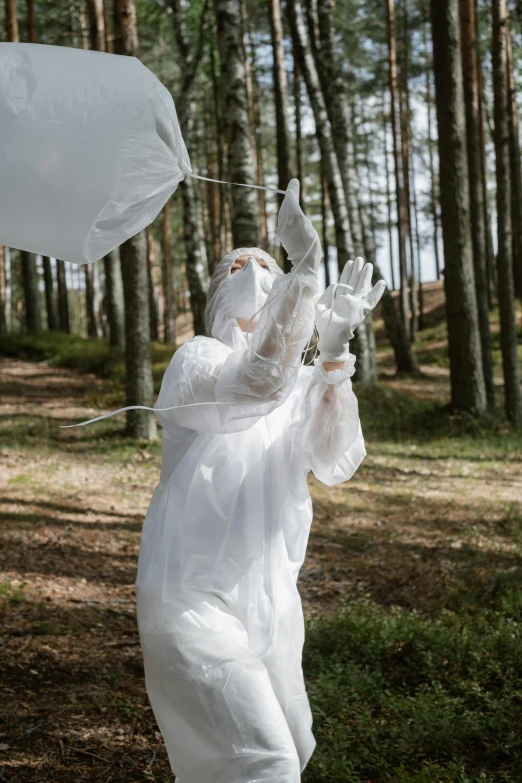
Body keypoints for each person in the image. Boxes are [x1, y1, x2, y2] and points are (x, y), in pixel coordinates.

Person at [136, 179, 386, 783]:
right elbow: (253, 383)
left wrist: (331, 354)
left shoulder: (300, 385)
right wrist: (301, 272)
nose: (252, 270)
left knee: (292, 749)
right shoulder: (194, 362)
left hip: (272, 604)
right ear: (216, 293)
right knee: (263, 763)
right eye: (237, 267)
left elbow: (335, 457)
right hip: (192, 598)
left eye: (265, 264)